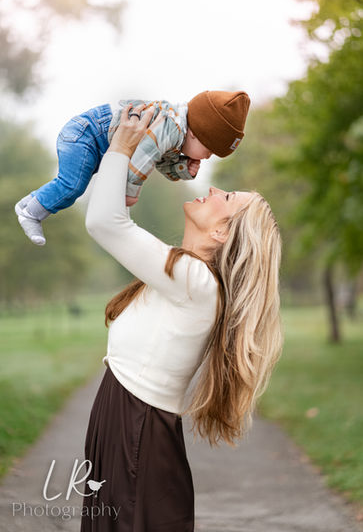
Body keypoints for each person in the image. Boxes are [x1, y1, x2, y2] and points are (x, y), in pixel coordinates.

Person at [80, 104, 283, 532]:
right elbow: (112, 215)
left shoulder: (195, 281)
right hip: (129, 427)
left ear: (222, 233)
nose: (213, 192)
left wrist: (121, 147)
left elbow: (103, 221)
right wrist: (134, 168)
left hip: (136, 431)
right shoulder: (186, 277)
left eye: (225, 198)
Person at [14, 90, 251, 246]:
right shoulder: (171, 126)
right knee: (73, 185)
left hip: (97, 141)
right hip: (88, 134)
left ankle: (30, 202)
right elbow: (143, 157)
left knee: (73, 184)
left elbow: (159, 162)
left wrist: (182, 169)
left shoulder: (175, 134)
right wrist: (130, 192)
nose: (207, 157)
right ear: (196, 133)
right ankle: (31, 213)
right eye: (209, 150)